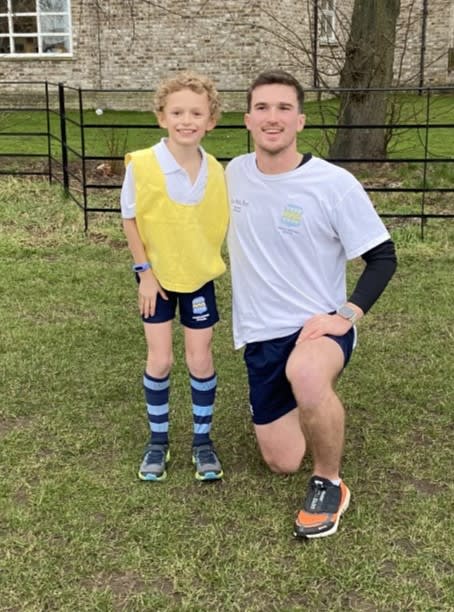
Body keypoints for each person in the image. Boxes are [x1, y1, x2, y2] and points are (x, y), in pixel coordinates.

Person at [226, 69, 397, 538]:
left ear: (300, 121)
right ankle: (312, 408)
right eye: (262, 108)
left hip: (316, 330)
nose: (272, 117)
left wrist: (347, 314)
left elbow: (383, 257)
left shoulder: (333, 183)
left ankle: (329, 482)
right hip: (260, 336)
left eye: (284, 108)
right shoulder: (233, 174)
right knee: (281, 461)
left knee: (305, 372)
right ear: (247, 119)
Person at [121, 71, 229, 482]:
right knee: (161, 359)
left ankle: (202, 443)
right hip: (157, 279)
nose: (187, 120)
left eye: (196, 113)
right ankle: (158, 442)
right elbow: (129, 218)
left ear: (211, 121)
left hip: (198, 276)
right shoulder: (144, 164)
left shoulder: (216, 170)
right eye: (177, 111)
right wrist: (144, 273)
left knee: (200, 359)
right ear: (162, 117)